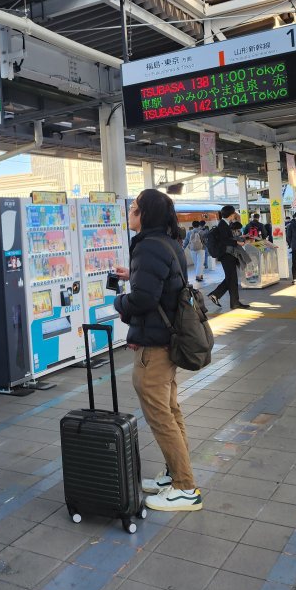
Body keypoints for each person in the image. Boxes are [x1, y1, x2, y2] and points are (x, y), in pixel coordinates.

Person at [112, 190, 202, 513]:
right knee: (171, 410)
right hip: (169, 341)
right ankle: (175, 475)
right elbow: (160, 287)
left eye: (134, 208)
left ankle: (185, 487)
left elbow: (144, 300)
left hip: (153, 347)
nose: (130, 212)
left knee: (160, 416)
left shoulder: (148, 247)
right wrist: (131, 275)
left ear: (144, 215)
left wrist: (119, 301)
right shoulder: (168, 243)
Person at [207, 206, 250, 311]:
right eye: (234, 213)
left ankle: (230, 301)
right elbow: (225, 240)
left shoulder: (225, 224)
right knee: (231, 278)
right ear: (231, 214)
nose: (235, 215)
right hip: (226, 255)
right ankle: (220, 296)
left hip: (228, 254)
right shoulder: (223, 224)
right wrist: (237, 242)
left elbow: (227, 238)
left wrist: (239, 239)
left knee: (231, 278)